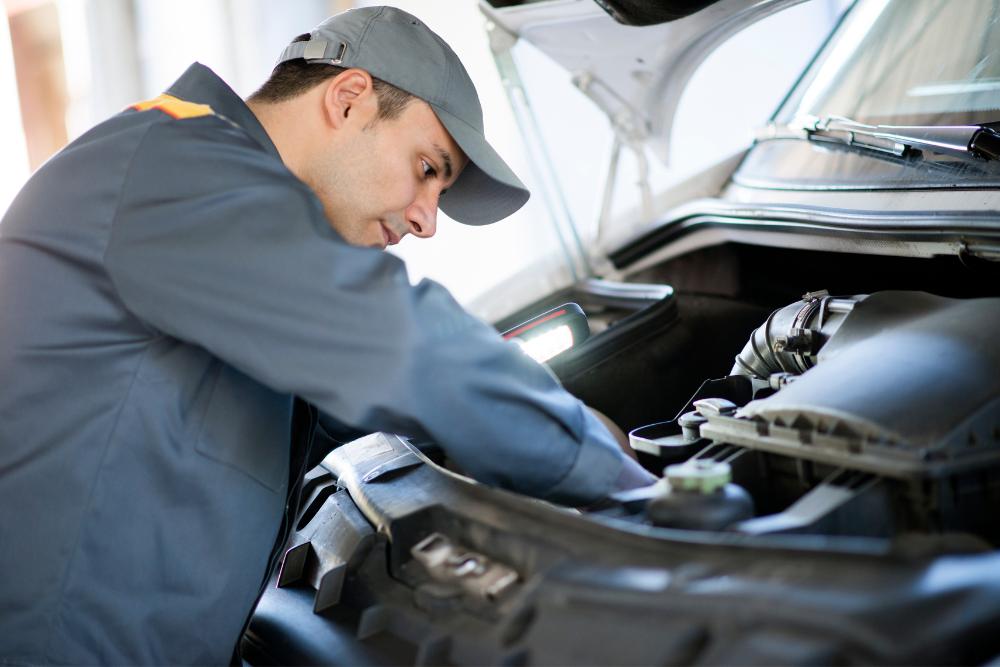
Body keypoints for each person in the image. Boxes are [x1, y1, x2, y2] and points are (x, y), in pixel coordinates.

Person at [0, 6, 655, 664]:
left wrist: (487, 439)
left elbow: (344, 407)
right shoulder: (174, 166)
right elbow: (396, 339)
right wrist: (624, 481)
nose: (429, 221)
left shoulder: (220, 230)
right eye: (428, 168)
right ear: (347, 100)